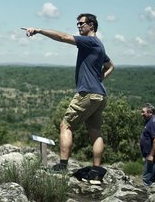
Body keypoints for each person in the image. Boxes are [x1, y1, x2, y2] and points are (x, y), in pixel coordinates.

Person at [23, 13, 115, 180]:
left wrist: (39, 30)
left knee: (66, 126)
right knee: (95, 132)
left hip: (86, 92)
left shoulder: (89, 41)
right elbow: (110, 66)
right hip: (100, 94)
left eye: (81, 24)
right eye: (78, 24)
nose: (79, 26)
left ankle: (62, 166)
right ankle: (95, 171)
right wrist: (100, 78)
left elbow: (63, 37)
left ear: (91, 25)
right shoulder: (99, 45)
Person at [140, 103, 155, 186]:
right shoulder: (150, 121)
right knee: (153, 179)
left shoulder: (153, 122)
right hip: (151, 155)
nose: (141, 114)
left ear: (150, 112)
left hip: (153, 155)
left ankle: (148, 196)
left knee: (147, 179)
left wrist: (151, 155)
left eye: (143, 112)